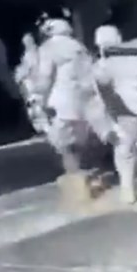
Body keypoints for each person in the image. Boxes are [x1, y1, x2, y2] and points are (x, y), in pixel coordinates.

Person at [30, 17, 109, 208]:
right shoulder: (78, 47)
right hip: (84, 101)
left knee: (65, 147)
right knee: (83, 142)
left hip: (60, 102)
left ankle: (78, 188)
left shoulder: (49, 49)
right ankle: (94, 181)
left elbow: (45, 79)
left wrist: (35, 94)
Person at [91, 25, 137, 209]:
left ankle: (128, 190)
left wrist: (104, 128)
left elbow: (99, 100)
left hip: (122, 114)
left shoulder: (102, 65)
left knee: (125, 153)